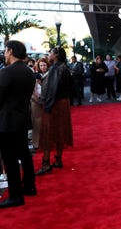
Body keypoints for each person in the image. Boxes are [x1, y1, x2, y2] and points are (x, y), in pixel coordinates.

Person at [0, 40, 37, 208]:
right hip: (22, 118)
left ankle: (15, 195)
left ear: (12, 51)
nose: (4, 54)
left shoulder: (7, 72)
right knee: (24, 153)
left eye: (6, 51)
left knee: (10, 158)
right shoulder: (29, 71)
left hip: (7, 121)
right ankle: (29, 186)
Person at [35, 47, 73, 175]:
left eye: (50, 53)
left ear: (55, 55)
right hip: (63, 103)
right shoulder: (63, 67)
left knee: (48, 133)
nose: (48, 55)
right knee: (60, 131)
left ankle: (46, 163)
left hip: (55, 104)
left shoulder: (56, 68)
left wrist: (47, 106)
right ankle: (58, 160)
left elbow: (52, 90)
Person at [30, 57, 50, 152]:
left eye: (44, 65)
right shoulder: (34, 76)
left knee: (47, 124)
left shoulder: (50, 76)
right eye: (41, 65)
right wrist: (38, 98)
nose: (43, 67)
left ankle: (47, 143)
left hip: (47, 102)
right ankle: (36, 143)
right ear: (38, 66)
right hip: (36, 101)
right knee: (36, 124)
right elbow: (32, 91)